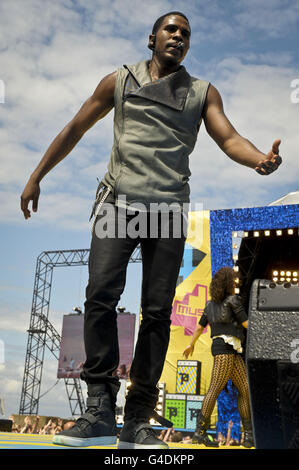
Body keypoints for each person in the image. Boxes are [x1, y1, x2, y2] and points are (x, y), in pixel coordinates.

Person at [20, 11, 281, 449]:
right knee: (99, 296)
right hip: (116, 203)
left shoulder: (202, 92)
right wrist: (36, 175)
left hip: (168, 209)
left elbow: (229, 137)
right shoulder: (118, 81)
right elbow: (75, 127)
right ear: (152, 38)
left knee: (157, 311)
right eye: (171, 29)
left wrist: (258, 159)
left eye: (186, 33)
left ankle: (137, 418)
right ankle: (100, 407)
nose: (178, 36)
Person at [183, 267, 253, 448]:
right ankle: (200, 433)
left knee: (245, 389)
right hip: (225, 347)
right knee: (215, 388)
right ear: (228, 283)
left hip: (229, 348)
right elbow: (246, 323)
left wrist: (191, 344)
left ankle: (249, 436)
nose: (236, 283)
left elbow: (199, 327)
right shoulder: (233, 300)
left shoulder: (209, 305)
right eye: (234, 280)